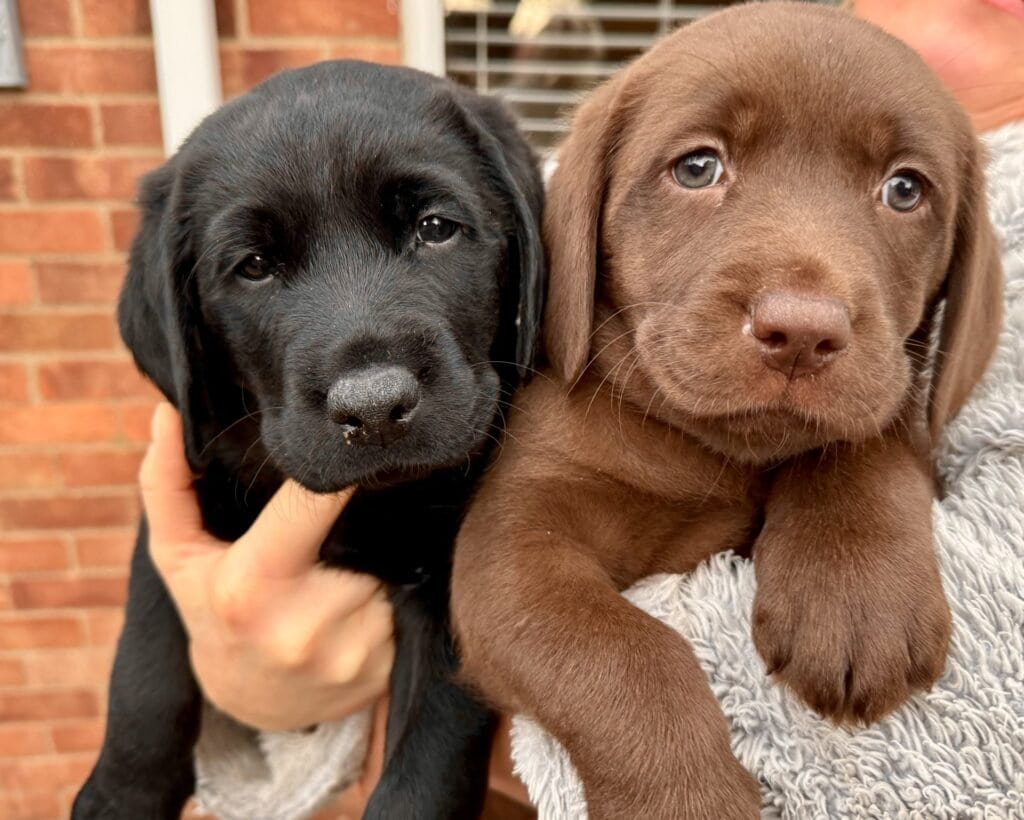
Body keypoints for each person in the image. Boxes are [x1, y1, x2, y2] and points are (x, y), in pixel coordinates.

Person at [139, 0, 1022, 814]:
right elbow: (497, 586)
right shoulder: (549, 320)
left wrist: (871, 474)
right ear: (574, 229)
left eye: (904, 189)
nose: (806, 308)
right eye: (698, 165)